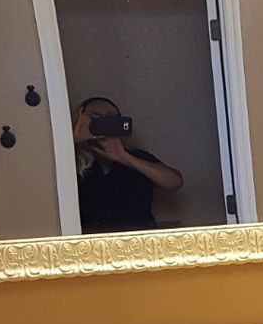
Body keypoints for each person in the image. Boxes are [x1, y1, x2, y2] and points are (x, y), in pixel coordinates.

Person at [72, 96, 184, 234]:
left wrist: (123, 157)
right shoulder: (68, 161)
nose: (102, 125)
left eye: (110, 120)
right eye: (95, 118)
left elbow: (174, 182)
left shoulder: (136, 157)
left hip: (141, 243)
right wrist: (73, 140)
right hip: (92, 248)